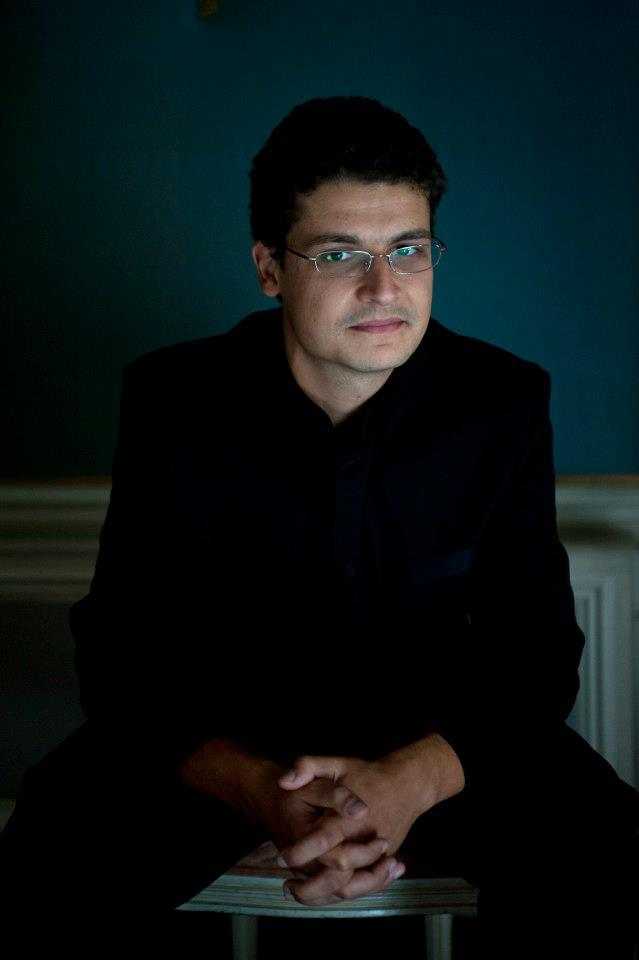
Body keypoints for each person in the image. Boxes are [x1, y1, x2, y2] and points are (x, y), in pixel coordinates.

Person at [1, 96, 637, 957]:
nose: (384, 288)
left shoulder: (502, 400)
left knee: (608, 857)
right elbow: (122, 653)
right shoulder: (174, 398)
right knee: (47, 862)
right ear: (270, 268)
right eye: (339, 254)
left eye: (408, 249)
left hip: (436, 742)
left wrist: (409, 783)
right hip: (227, 746)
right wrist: (257, 787)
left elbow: (535, 651)